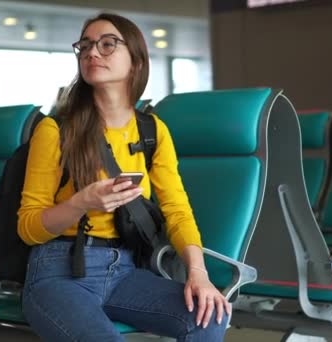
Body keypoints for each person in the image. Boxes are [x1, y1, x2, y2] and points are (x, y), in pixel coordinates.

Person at [17, 12, 230, 341]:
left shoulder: (152, 131)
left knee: (208, 317)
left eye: (107, 44)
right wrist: (81, 202)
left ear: (136, 60)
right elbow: (28, 227)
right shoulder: (55, 129)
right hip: (57, 270)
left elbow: (177, 209)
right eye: (85, 46)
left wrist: (198, 273)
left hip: (126, 270)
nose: (92, 52)